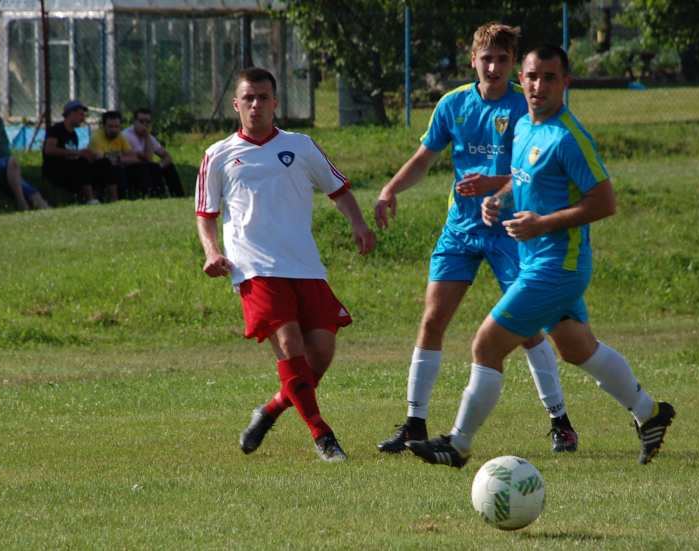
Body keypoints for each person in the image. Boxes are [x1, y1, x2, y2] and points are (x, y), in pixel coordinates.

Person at [406, 45, 675, 468]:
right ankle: (650, 413)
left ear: (565, 83)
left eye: (549, 77)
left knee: (486, 344)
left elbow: (605, 203)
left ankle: (457, 445)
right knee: (576, 347)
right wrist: (498, 198)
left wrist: (542, 224)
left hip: (557, 265)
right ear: (523, 79)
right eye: (532, 77)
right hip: (536, 259)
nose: (538, 86)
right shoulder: (526, 127)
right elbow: (520, 178)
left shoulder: (569, 137)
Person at [373, 22, 578, 455]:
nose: (494, 66)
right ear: (473, 60)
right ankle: (414, 422)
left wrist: (495, 184)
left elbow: (535, 174)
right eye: (487, 58)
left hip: (511, 231)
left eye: (503, 59)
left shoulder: (527, 110)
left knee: (526, 330)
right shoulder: (453, 105)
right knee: (432, 320)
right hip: (461, 230)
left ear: (514, 67)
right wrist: (390, 189)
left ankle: (561, 421)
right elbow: (424, 157)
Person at [195, 67, 376, 462]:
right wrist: (211, 251)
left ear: (276, 102)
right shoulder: (218, 154)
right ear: (236, 104)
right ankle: (322, 436)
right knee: (290, 345)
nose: (256, 104)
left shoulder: (302, 146)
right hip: (254, 266)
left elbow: (338, 189)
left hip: (304, 263)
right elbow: (205, 213)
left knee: (321, 353)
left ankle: (272, 409)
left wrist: (359, 225)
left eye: (263, 97)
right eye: (249, 98)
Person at [0, 98, 49, 210]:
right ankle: (21, 203)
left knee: (34, 193)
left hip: (5, 168)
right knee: (12, 161)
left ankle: (47, 211)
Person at [42, 100, 102, 204]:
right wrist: (78, 153)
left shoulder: (74, 134)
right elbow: (49, 150)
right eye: (81, 115)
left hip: (69, 167)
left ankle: (100, 196)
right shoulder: (57, 129)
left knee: (98, 163)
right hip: (55, 169)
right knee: (82, 163)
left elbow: (73, 155)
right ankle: (90, 198)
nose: (83, 118)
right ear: (71, 114)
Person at [123, 108, 184, 198]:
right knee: (149, 167)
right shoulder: (126, 136)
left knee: (169, 167)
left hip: (147, 166)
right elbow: (148, 157)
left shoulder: (149, 137)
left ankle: (179, 195)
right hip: (131, 168)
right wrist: (147, 136)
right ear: (134, 122)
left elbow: (167, 156)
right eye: (141, 121)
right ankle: (155, 194)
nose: (145, 125)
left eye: (148, 122)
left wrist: (160, 166)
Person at [89, 110, 139, 201]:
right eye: (110, 127)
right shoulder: (96, 138)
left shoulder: (120, 137)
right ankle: (114, 198)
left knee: (140, 167)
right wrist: (120, 157)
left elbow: (134, 158)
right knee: (109, 165)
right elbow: (100, 158)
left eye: (117, 127)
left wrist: (119, 158)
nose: (114, 130)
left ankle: (146, 195)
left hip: (116, 168)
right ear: (103, 126)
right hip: (98, 172)